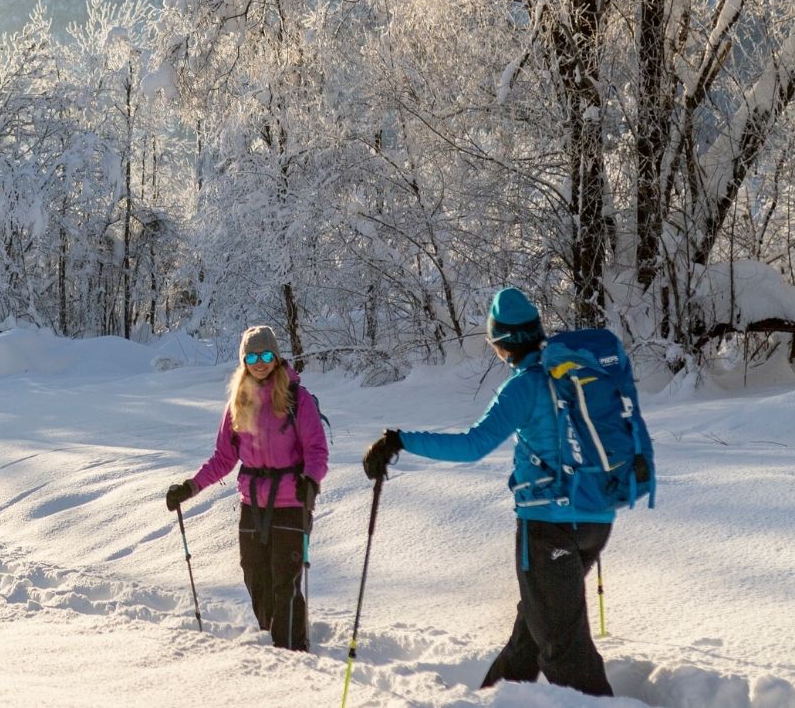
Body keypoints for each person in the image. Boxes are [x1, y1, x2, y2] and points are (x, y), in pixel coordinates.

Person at [362, 287, 615, 697]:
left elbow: (473, 445)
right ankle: (490, 699)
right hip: (595, 518)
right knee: (533, 629)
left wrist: (400, 441)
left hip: (549, 524)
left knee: (562, 648)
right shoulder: (571, 373)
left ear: (501, 344)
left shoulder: (524, 387)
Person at [164, 325, 328, 652]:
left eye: (266, 354)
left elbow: (316, 451)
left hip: (291, 502)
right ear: (244, 360)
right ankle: (275, 637)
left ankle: (293, 652)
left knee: (286, 583)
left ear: (276, 356)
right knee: (255, 578)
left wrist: (310, 481)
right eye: (252, 356)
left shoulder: (298, 398)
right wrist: (190, 487)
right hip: (251, 505)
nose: (260, 362)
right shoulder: (238, 402)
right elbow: (223, 457)